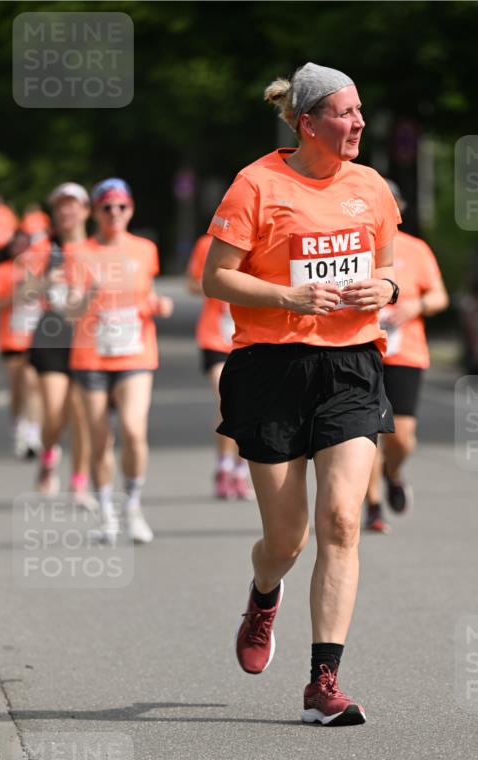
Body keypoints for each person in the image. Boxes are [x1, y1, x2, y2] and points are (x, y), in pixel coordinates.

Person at [204, 63, 400, 726]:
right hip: (270, 369)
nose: (358, 124)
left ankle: (323, 683)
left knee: (342, 520)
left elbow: (388, 262)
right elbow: (216, 278)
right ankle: (264, 595)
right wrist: (288, 295)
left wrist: (388, 289)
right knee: (286, 538)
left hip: (349, 366)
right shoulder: (257, 185)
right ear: (307, 123)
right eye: (345, 114)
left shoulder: (370, 187)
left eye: (361, 112)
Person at [69, 178, 173, 543]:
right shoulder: (79, 252)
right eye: (106, 207)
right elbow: (70, 311)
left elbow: (149, 291)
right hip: (91, 356)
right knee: (100, 440)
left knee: (133, 429)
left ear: (130, 209)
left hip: (136, 352)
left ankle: (132, 506)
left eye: (121, 206)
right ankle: (107, 515)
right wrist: (89, 295)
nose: (115, 213)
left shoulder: (144, 249)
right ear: (95, 211)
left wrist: (159, 304)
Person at [365, 180, 449, 533]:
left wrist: (415, 305)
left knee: (401, 438)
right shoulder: (352, 250)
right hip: (361, 348)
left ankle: (393, 473)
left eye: (392, 205)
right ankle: (372, 507)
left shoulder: (416, 249)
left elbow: (441, 298)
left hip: (405, 352)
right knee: (366, 435)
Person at [27, 183, 93, 502]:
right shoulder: (44, 249)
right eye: (60, 206)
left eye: (73, 205)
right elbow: (20, 292)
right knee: (54, 412)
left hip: (89, 336)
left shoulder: (98, 248)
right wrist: (43, 282)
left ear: (85, 211)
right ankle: (49, 455)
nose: (66, 211)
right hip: (52, 333)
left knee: (81, 412)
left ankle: (79, 480)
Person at [186, 234, 254, 499]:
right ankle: (224, 466)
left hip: (249, 336)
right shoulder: (207, 244)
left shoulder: (262, 243)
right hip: (215, 336)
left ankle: (241, 468)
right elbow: (192, 283)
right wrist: (221, 283)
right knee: (227, 399)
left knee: (247, 405)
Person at [0, 229, 42, 457]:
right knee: (18, 387)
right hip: (10, 338)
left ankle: (33, 432)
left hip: (35, 337)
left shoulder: (39, 270)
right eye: (15, 245)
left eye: (24, 245)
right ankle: (18, 422)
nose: (20, 249)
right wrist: (15, 296)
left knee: (32, 382)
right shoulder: (1, 272)